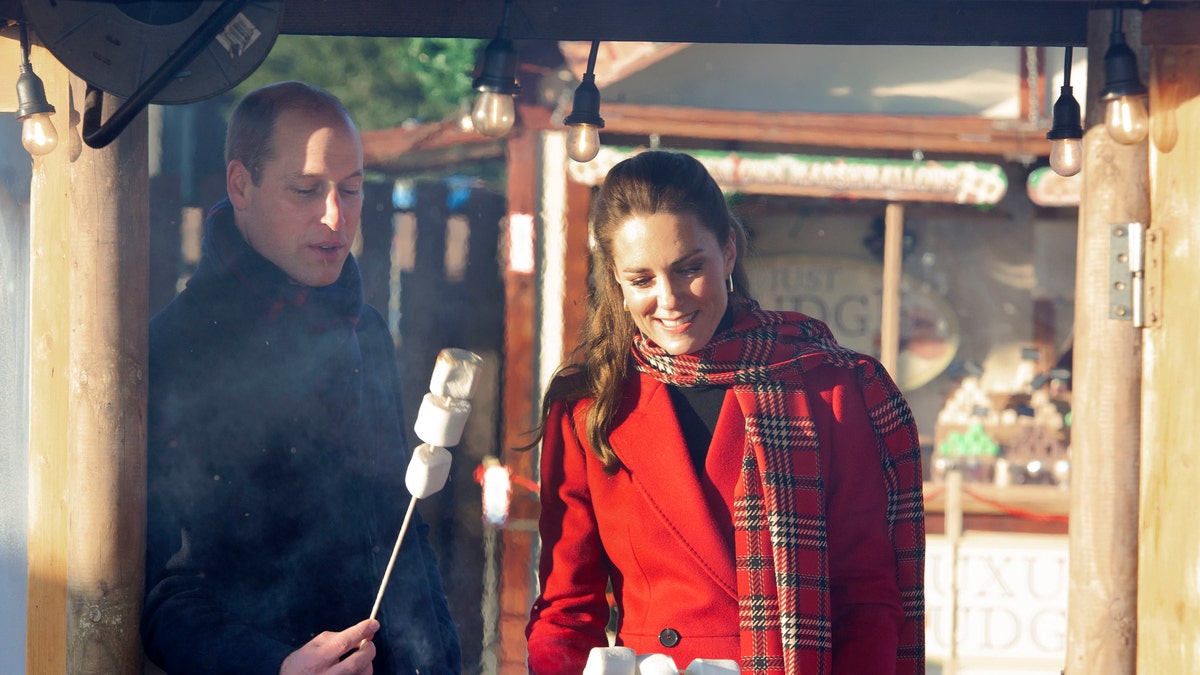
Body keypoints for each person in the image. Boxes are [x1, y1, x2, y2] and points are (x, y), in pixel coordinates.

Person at [523, 151, 925, 675]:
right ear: (616, 281)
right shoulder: (588, 403)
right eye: (642, 279)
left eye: (690, 268)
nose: (668, 300)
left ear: (729, 253)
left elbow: (864, 600)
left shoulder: (830, 388)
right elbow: (566, 610)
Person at [142, 81, 462, 675]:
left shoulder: (365, 329)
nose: (336, 217)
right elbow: (161, 591)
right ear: (241, 184)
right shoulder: (179, 349)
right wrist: (275, 667)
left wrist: (439, 654)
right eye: (306, 190)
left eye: (352, 189)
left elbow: (401, 530)